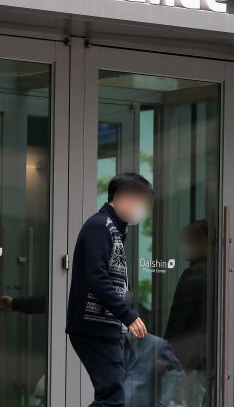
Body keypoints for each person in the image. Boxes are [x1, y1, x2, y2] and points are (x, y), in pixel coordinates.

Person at [66, 172, 153, 407]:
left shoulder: (113, 229)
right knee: (113, 397)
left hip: (105, 327)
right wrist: (127, 315)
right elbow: (97, 278)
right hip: (93, 327)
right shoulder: (100, 226)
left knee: (114, 395)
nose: (141, 208)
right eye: (139, 201)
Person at [164, 219, 208, 406]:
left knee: (187, 399)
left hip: (190, 358)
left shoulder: (193, 275)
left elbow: (179, 319)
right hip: (207, 356)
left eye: (190, 240)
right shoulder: (218, 273)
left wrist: (165, 352)